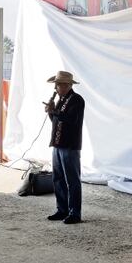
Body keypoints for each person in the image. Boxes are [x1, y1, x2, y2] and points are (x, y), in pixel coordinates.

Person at [44, 71, 85, 224]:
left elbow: (71, 120)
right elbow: (57, 121)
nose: (56, 87)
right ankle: (62, 210)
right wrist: (51, 112)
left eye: (58, 84)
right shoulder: (61, 100)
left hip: (70, 146)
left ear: (66, 85)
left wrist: (55, 111)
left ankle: (75, 213)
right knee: (58, 178)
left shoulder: (77, 100)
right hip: (58, 144)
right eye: (56, 84)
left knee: (72, 180)